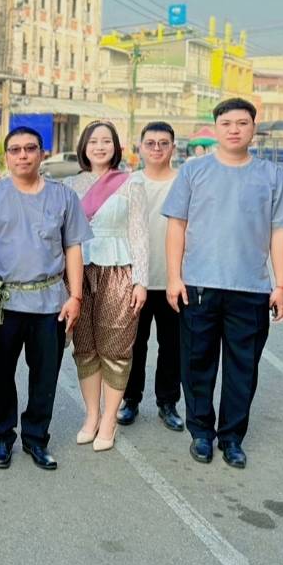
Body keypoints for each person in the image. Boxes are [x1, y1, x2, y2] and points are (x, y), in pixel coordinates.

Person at [164, 98, 283, 468]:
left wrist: (281, 286)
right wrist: (174, 277)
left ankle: (232, 438)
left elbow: (280, 231)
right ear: (216, 129)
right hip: (199, 286)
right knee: (197, 364)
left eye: (242, 123)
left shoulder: (270, 175)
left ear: (253, 128)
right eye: (226, 123)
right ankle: (201, 433)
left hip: (251, 288)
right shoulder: (194, 171)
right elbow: (176, 225)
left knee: (243, 368)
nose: (234, 129)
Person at [0, 127, 91, 470]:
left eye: (30, 148)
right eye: (15, 150)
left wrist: (76, 296)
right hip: (2, 299)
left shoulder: (63, 197)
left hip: (50, 299)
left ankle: (37, 438)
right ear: (6, 156)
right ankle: (1, 436)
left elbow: (73, 247)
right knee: (0, 372)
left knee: (45, 375)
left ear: (42, 154)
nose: (22, 155)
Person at [65, 121, 148, 452]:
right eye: (93, 141)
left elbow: (139, 234)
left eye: (106, 141)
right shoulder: (70, 185)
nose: (99, 147)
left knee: (115, 347)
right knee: (84, 346)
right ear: (83, 147)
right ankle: (91, 416)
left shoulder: (131, 183)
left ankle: (110, 419)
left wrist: (141, 281)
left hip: (118, 271)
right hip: (79, 273)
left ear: (116, 147)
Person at [118, 122, 184, 432]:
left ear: (173, 147)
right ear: (140, 147)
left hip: (174, 280)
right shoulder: (130, 182)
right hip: (137, 281)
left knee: (172, 346)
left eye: (163, 143)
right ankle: (130, 399)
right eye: (150, 143)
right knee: (134, 345)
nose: (157, 148)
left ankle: (167, 402)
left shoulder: (184, 182)